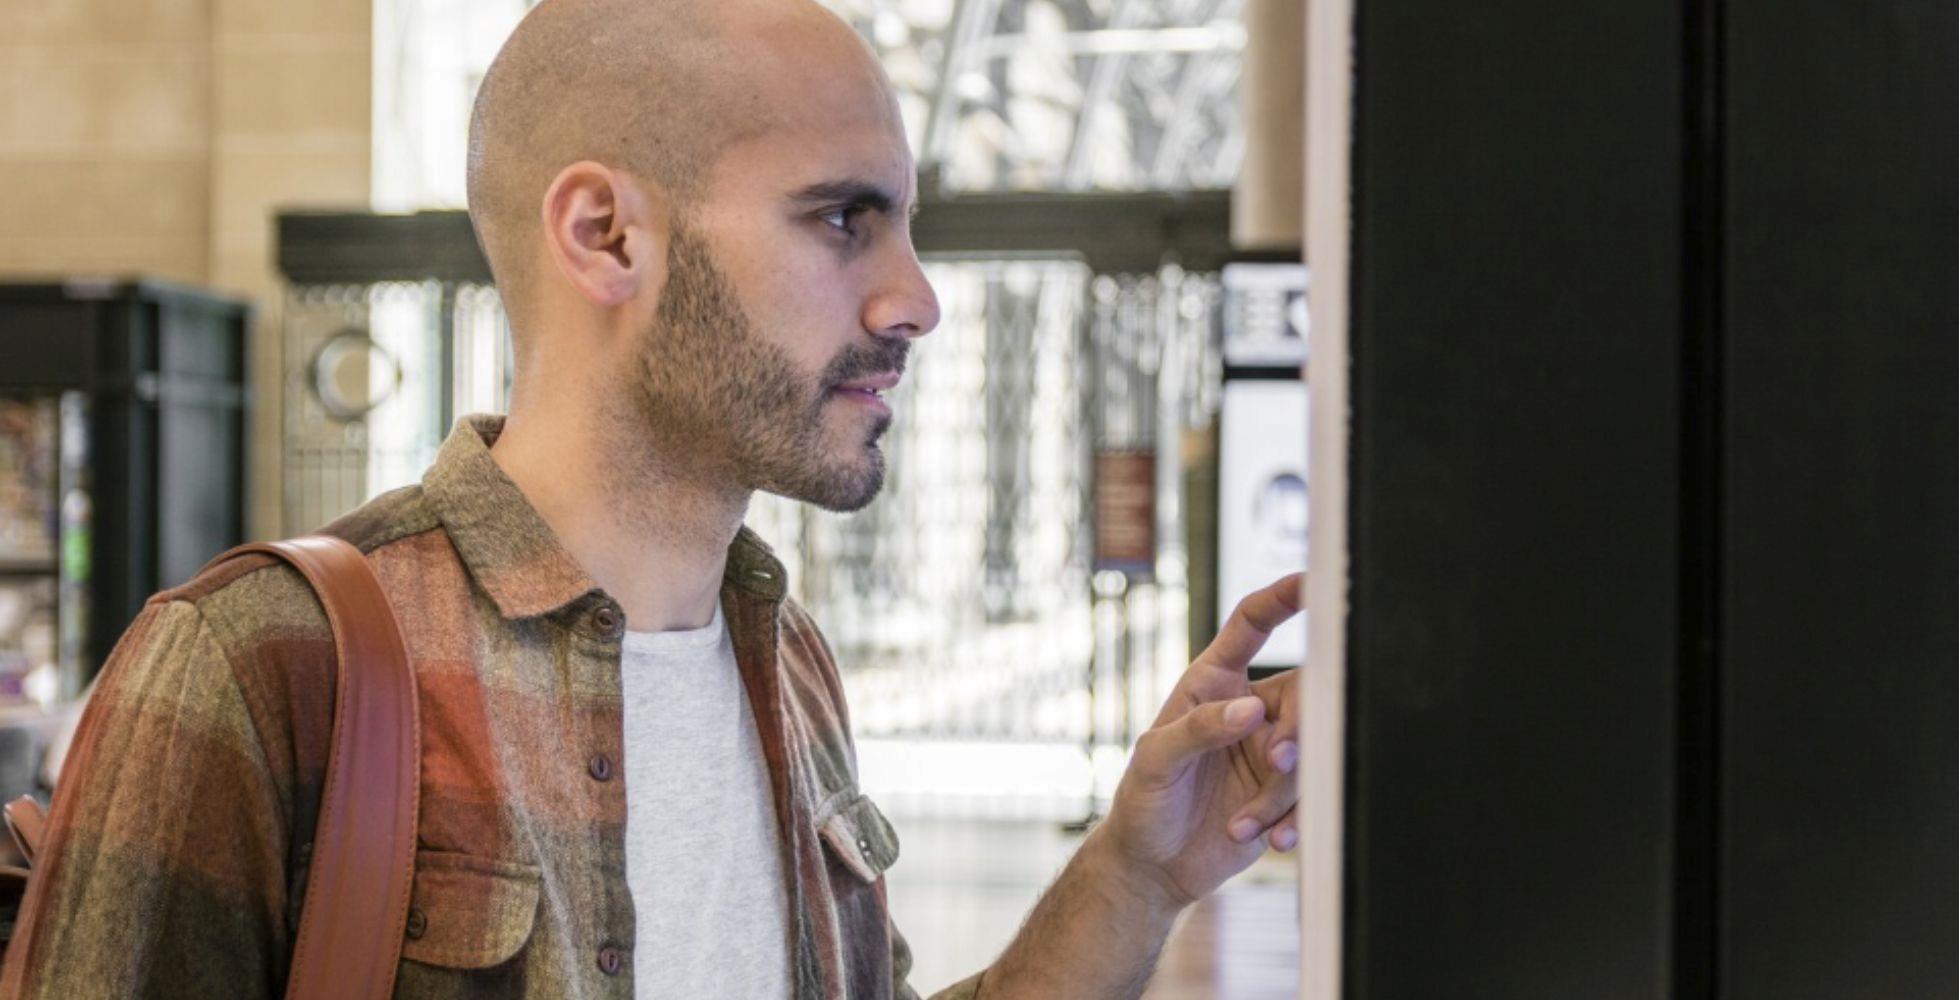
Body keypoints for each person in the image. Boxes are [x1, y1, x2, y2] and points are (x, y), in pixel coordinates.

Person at [0, 0, 1304, 996]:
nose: (917, 298)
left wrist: (1139, 871)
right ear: (607, 238)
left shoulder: (782, 661)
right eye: (843, 220)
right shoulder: (259, 668)